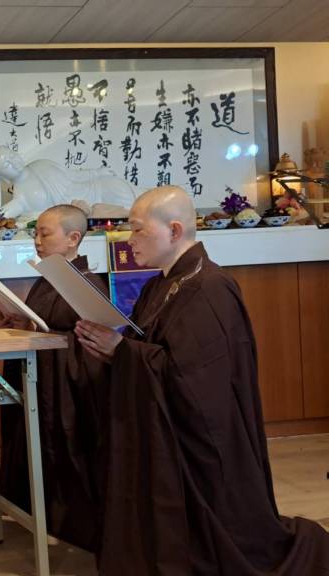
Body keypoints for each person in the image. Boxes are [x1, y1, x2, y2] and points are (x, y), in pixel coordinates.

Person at [75, 186, 329, 574]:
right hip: (167, 434)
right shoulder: (160, 283)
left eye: (138, 230)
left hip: (202, 444)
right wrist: (116, 351)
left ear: (175, 230)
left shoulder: (210, 288)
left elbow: (196, 380)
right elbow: (149, 350)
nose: (129, 240)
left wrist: (123, 352)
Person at [0, 204, 108, 552]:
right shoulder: (49, 279)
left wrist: (42, 334)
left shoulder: (88, 284)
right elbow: (46, 324)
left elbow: (91, 343)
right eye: (35, 233)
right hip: (42, 379)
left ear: (73, 238)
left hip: (67, 391)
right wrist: (25, 324)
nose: (37, 240)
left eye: (44, 233)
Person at [0, 145, 136, 219]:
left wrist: (97, 173)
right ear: (2, 176)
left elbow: (72, 176)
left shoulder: (41, 164)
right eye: (6, 165)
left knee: (138, 206)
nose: (14, 162)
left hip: (95, 189)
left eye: (11, 155)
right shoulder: (21, 196)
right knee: (132, 214)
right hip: (82, 215)